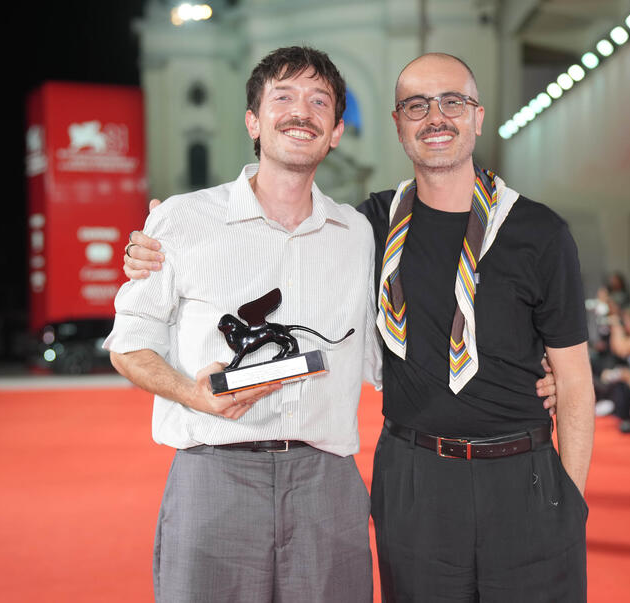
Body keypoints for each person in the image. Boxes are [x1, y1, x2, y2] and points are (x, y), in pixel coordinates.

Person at [124, 52, 589, 602]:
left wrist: (569, 496)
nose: (435, 117)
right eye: (417, 105)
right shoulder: (366, 225)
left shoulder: (525, 230)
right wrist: (153, 245)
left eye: (453, 102)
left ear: (478, 115)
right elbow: (134, 336)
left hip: (501, 474)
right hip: (395, 475)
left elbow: (575, 377)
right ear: (397, 123)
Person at [104, 46, 379, 603]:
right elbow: (128, 344)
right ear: (254, 121)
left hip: (328, 486)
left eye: (318, 101)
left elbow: (388, 351)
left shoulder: (358, 235)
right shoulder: (180, 219)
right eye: (283, 97)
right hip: (214, 477)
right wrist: (192, 393)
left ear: (335, 132)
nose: (301, 111)